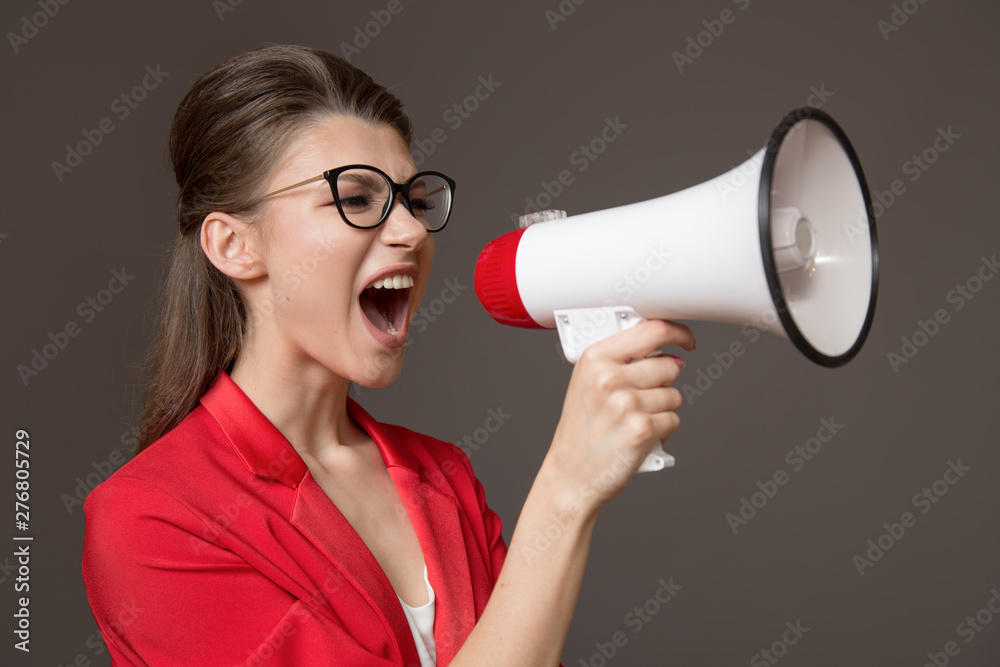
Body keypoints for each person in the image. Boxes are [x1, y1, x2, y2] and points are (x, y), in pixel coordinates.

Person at [81, 44, 694, 666]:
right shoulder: (153, 521)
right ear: (235, 245)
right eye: (356, 197)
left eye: (413, 199)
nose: (411, 230)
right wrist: (567, 489)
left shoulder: (444, 477)